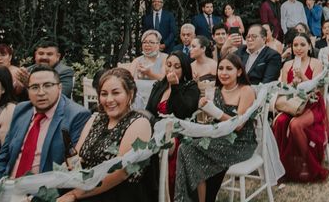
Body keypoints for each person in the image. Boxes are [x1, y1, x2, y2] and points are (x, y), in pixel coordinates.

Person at [57, 68, 155, 202]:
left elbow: (121, 172)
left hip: (117, 193)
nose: (109, 100)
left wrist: (74, 194)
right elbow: (77, 156)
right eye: (104, 94)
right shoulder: (95, 119)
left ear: (130, 94)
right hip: (84, 187)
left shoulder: (140, 123)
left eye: (116, 93)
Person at [0, 65, 91, 183]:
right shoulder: (21, 110)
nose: (41, 92)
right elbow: (4, 157)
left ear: (59, 88)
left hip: (43, 191)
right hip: (7, 186)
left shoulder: (76, 116)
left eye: (47, 85)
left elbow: (71, 169)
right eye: (34, 87)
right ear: (28, 90)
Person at [175, 53, 256, 202]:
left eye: (229, 69)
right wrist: (203, 109)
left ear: (239, 72)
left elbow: (238, 125)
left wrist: (214, 111)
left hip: (240, 142)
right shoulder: (215, 90)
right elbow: (210, 122)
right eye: (221, 69)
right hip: (217, 138)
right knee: (185, 146)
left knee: (190, 151)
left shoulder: (246, 91)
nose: (223, 73)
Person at [272, 33, 329, 182]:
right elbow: (284, 89)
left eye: (302, 45)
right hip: (293, 104)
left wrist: (303, 77)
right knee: (280, 122)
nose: (298, 48)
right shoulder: (287, 65)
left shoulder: (316, 63)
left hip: (312, 103)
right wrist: (292, 84)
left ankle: (307, 162)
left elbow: (316, 89)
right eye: (295, 45)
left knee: (296, 125)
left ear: (309, 46)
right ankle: (282, 166)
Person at [146, 52, 199, 200]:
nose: (171, 70)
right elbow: (149, 110)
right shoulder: (159, 85)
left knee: (166, 144)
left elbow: (183, 112)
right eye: (169, 65)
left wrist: (175, 87)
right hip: (155, 129)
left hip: (178, 132)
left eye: (177, 66)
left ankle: (168, 194)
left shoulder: (190, 87)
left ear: (184, 69)